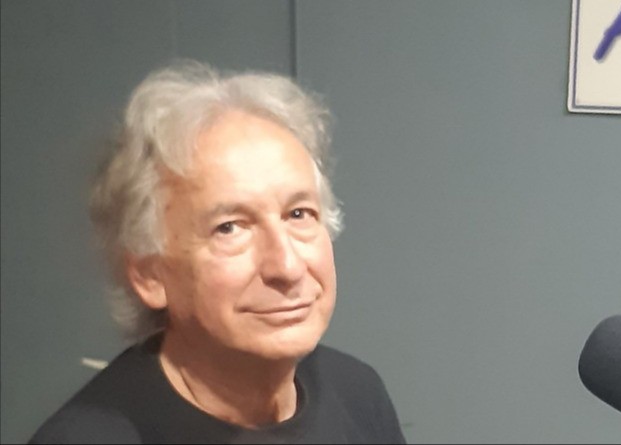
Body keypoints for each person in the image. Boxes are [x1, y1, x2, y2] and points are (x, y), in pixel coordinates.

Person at [29, 60, 406, 444]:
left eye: (298, 214)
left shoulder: (357, 395)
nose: (287, 266)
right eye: (230, 228)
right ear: (149, 274)